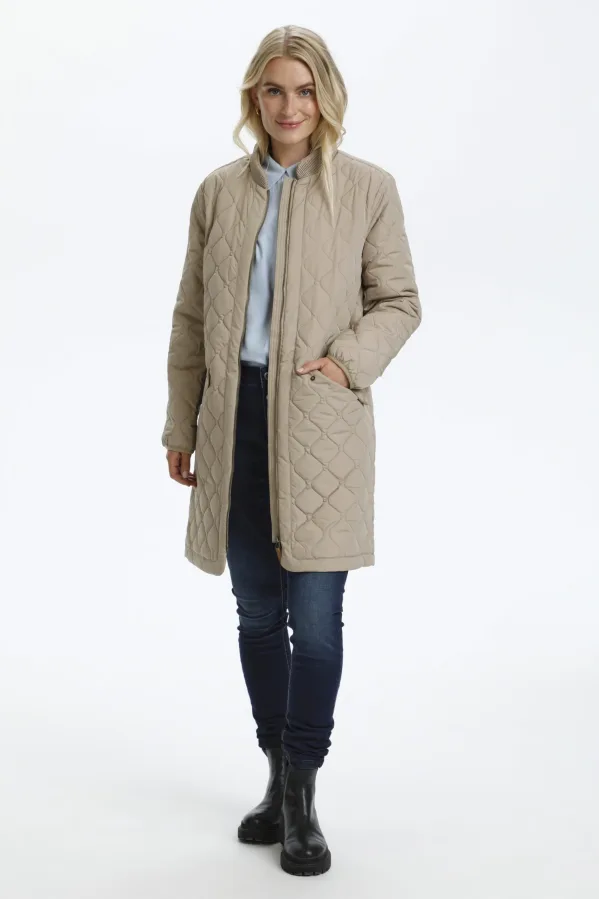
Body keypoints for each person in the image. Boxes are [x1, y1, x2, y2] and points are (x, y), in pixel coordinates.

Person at [161, 25, 422, 877]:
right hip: (233, 423)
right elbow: (191, 317)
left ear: (326, 97)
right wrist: (180, 423)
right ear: (255, 96)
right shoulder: (218, 193)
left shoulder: (369, 189)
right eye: (273, 90)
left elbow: (399, 300)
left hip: (318, 425)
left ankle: (304, 793)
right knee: (253, 613)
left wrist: (346, 360)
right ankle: (276, 779)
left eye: (304, 90)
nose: (289, 106)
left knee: (314, 623)